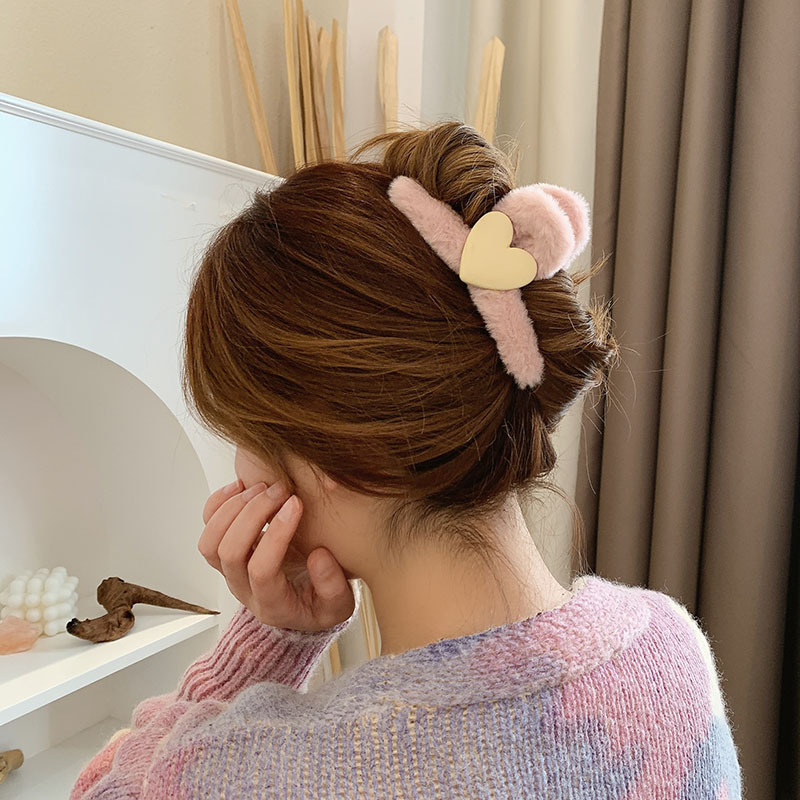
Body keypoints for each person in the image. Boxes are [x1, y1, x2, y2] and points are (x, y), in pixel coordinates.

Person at [70, 120, 743, 798]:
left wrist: (268, 644)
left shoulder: (255, 773)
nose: (240, 470)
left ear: (331, 450)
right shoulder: (670, 648)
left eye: (242, 434)